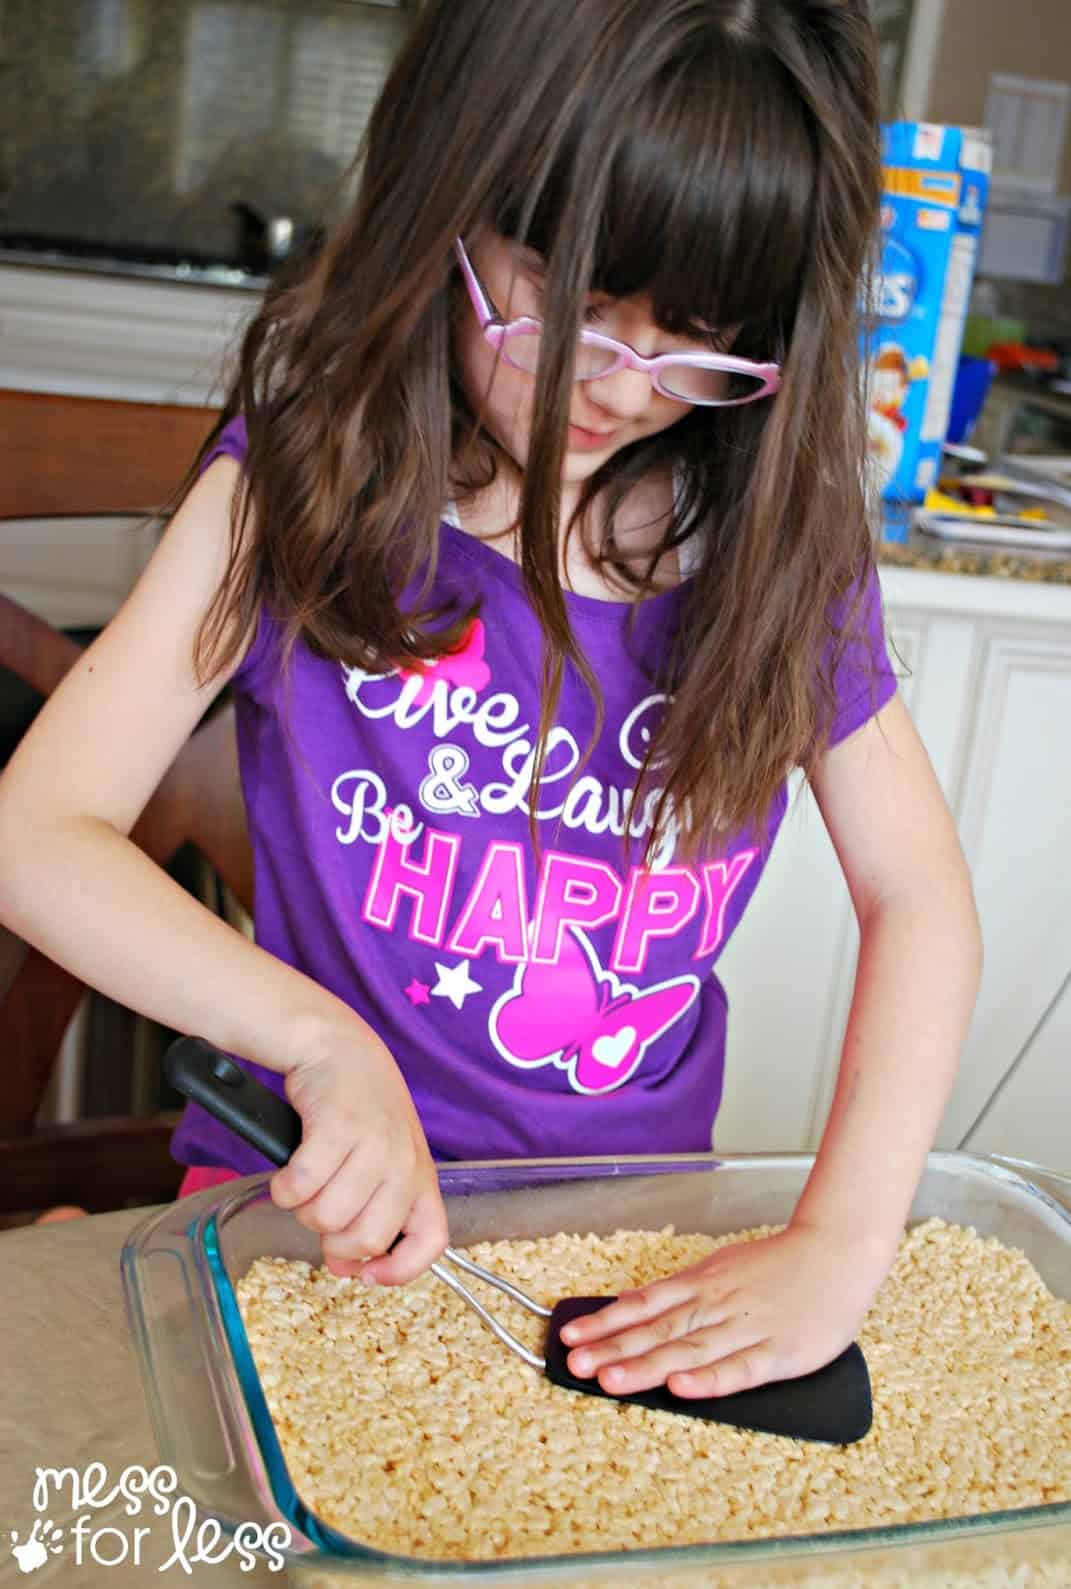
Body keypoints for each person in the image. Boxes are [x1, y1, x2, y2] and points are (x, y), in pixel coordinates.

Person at [0, 0, 982, 1405]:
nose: (620, 388)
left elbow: (923, 900)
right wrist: (320, 1043)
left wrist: (840, 1239)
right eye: (568, 306)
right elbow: (37, 832)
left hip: (620, 1239)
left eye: (699, 341)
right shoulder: (304, 481)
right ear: (450, 196)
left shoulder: (772, 545)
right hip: (312, 1210)